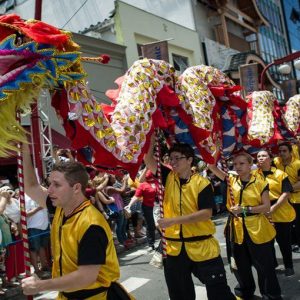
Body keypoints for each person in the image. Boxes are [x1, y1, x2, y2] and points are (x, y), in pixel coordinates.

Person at [21, 143, 132, 300]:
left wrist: (41, 286)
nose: (50, 189)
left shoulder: (91, 224)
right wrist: (24, 150)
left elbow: (86, 277)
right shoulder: (60, 207)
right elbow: (31, 187)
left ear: (76, 188)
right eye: (49, 183)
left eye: (57, 185)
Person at [144, 137, 235, 300]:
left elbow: (206, 213)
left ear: (189, 160)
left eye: (177, 158)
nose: (173, 162)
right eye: (171, 158)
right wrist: (151, 136)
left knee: (219, 292)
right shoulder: (168, 177)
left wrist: (174, 221)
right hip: (174, 249)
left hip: (202, 246)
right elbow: (148, 159)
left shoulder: (202, 183)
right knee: (179, 294)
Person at [209, 152, 282, 300]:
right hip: (236, 229)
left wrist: (245, 209)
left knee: (265, 267)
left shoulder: (260, 182)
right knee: (240, 266)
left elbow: (266, 207)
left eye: (241, 163)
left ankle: (271, 295)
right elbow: (211, 165)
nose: (237, 167)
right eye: (235, 164)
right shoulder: (230, 179)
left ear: (250, 165)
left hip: (258, 228)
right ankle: (245, 293)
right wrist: (216, 149)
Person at [254, 150, 295, 276]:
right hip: (262, 212)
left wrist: (273, 208)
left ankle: (289, 266)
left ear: (270, 159)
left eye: (264, 156)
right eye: (259, 156)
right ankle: (273, 265)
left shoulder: (280, 174)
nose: (261, 158)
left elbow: (286, 193)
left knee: (284, 242)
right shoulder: (253, 174)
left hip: (280, 211)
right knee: (267, 242)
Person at [273, 142, 300, 253]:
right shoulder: (276, 162)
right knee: (287, 224)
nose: (282, 153)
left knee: (298, 223)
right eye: (280, 151)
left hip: (297, 199)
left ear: (290, 152)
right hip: (282, 200)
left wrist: (288, 189)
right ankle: (292, 243)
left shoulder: (298, 164)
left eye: (284, 151)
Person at [126, 169, 158, 251]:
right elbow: (136, 197)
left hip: (159, 205)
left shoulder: (158, 182)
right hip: (147, 207)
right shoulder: (142, 185)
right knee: (150, 225)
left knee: (158, 224)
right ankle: (151, 244)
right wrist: (129, 205)